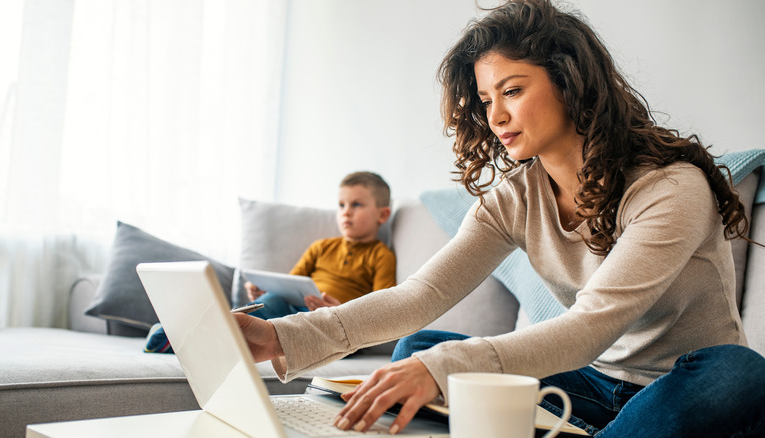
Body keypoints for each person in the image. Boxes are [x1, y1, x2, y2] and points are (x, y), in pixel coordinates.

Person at [234, 1, 765, 436]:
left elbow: (590, 326)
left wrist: (441, 372)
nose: (496, 116)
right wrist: (281, 335)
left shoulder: (671, 189)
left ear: (570, 82)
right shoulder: (515, 198)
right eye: (487, 99)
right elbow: (420, 296)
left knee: (739, 375)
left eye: (512, 90)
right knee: (421, 350)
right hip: (592, 386)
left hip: (684, 385)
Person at [245, 171, 396, 319]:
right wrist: (263, 292)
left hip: (333, 320)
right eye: (341, 205)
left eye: (356, 204)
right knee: (271, 300)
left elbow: (382, 309)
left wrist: (341, 313)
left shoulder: (382, 256)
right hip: (292, 307)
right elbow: (289, 284)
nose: (346, 212)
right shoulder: (321, 246)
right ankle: (240, 324)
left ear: (382, 215)